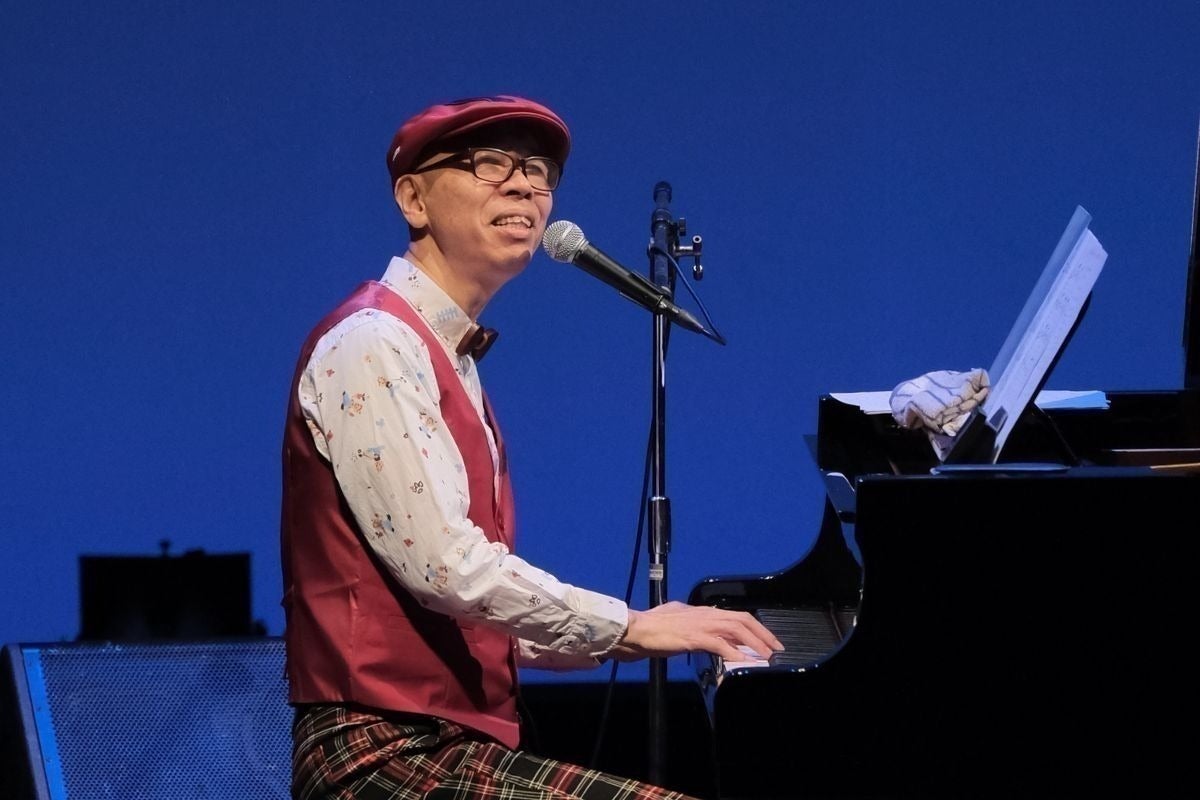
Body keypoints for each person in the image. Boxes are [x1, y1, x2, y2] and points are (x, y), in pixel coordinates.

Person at [279, 94, 782, 800]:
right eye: (491, 164)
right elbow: (447, 570)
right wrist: (630, 627)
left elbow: (468, 616)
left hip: (445, 740)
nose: (524, 187)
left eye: (539, 171)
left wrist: (637, 631)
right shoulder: (373, 342)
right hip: (379, 751)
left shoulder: (444, 354)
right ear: (413, 199)